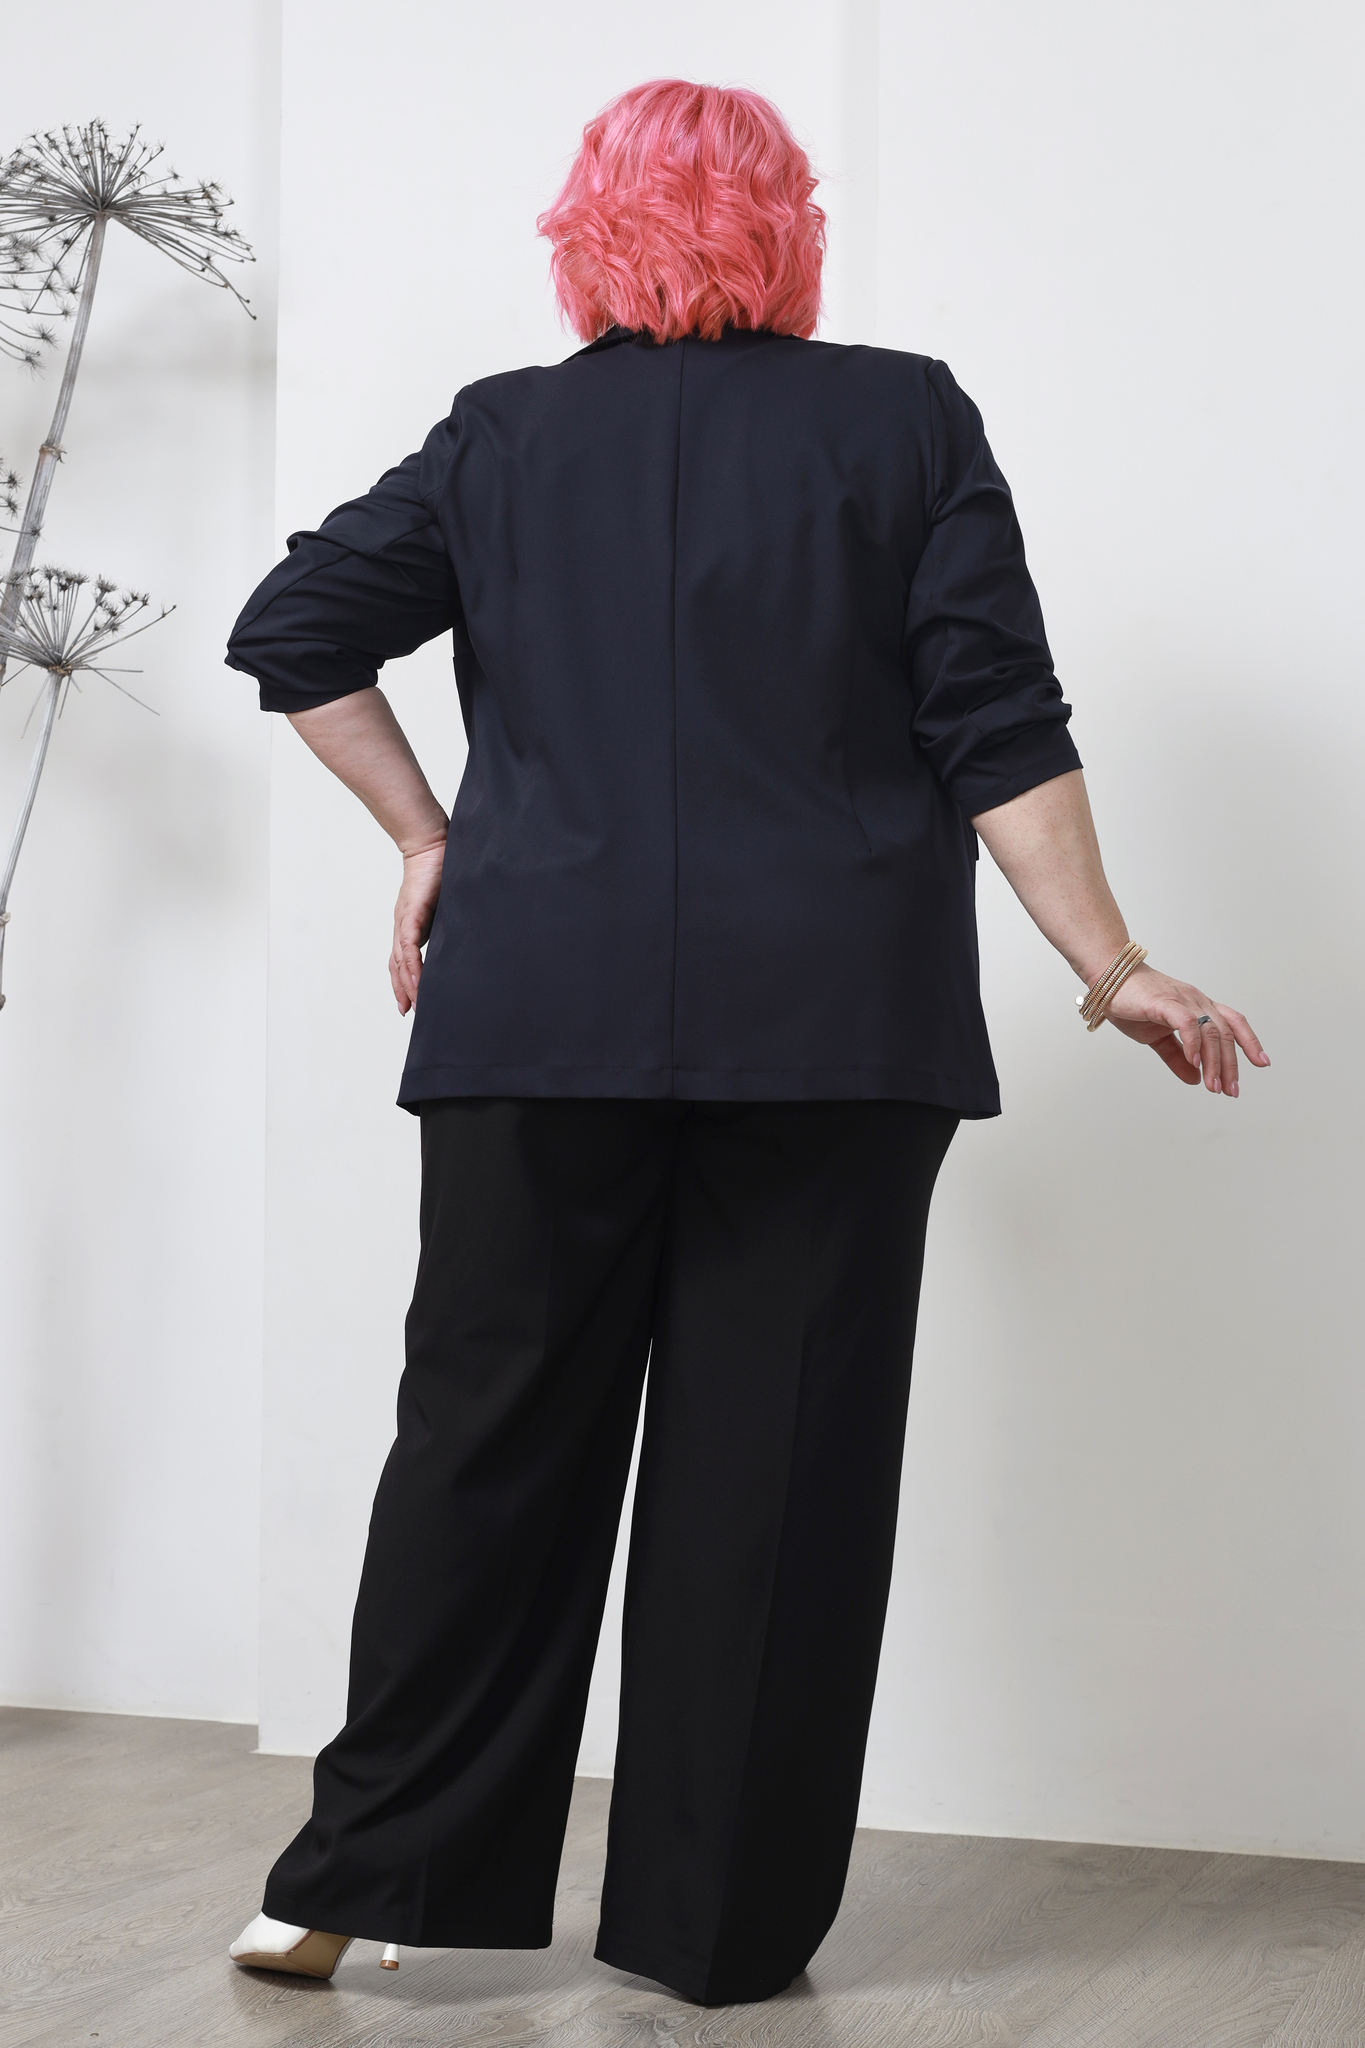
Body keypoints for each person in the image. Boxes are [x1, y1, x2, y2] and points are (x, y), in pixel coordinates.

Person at [222, 78, 1267, 2008]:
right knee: (773, 1472)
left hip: (538, 1010)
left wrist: (432, 839)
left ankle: (354, 1882)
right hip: (834, 1029)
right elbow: (994, 716)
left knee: (483, 1449)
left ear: (582, 235)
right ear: (790, 230)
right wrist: (1109, 962)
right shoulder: (903, 417)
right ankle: (712, 1935)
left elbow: (296, 631)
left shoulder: (503, 434)